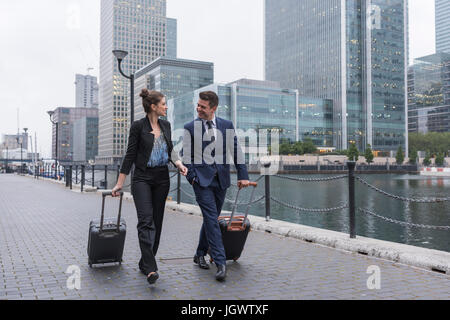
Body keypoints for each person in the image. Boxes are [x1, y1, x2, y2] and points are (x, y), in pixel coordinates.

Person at [112, 89, 188, 285]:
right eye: (163, 103)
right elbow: (130, 156)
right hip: (142, 178)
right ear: (153, 106)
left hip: (162, 178)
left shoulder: (166, 125)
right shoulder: (138, 126)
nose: (166, 106)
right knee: (146, 221)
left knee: (157, 222)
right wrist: (120, 184)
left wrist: (179, 164)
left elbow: (170, 149)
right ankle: (151, 268)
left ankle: (145, 261)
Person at [182, 91, 249, 282]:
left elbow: (236, 151)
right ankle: (220, 263)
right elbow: (186, 157)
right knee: (212, 219)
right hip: (201, 182)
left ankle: (199, 253)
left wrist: (243, 175)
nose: (198, 109)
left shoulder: (226, 125)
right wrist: (193, 178)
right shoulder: (190, 127)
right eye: (198, 105)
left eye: (203, 106)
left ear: (213, 108)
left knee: (211, 218)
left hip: (221, 181)